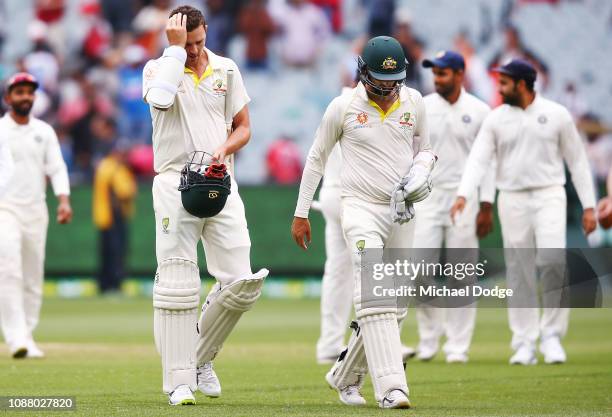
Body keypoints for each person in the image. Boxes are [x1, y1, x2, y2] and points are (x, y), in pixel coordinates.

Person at [292, 36, 436, 408]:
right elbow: (316, 158)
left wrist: (420, 172)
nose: (388, 90)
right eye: (380, 81)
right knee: (375, 294)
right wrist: (301, 212)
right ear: (362, 73)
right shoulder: (342, 107)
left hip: (400, 209)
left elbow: (427, 148)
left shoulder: (414, 102)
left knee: (397, 305)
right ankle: (392, 388)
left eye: (394, 82)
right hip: (358, 207)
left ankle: (345, 375)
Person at [142, 6, 268, 405]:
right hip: (173, 180)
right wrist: (175, 53)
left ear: (207, 32)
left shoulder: (227, 69)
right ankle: (178, 381)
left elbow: (244, 126)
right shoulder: (157, 70)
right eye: (187, 43)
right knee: (179, 285)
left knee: (242, 285)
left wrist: (224, 147)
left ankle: (200, 358)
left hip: (219, 180)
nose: (195, 51)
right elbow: (161, 101)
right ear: (174, 38)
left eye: (199, 42)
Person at [451, 59, 597, 365]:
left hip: (549, 195)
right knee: (519, 271)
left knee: (553, 260)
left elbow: (578, 162)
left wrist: (589, 206)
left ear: (522, 84)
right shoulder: (496, 119)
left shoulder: (556, 115)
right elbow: (478, 160)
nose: (499, 88)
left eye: (504, 82)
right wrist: (464, 194)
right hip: (512, 198)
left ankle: (552, 337)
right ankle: (524, 342)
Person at [412, 51, 494, 364]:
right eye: (435, 73)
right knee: (419, 270)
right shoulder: (423, 106)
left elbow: (488, 161)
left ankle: (457, 345)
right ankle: (430, 337)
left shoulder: (479, 110)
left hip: (465, 197)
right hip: (428, 196)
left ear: (460, 74)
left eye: (443, 73)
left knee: (462, 273)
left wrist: (486, 204)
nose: (437, 78)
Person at [0, 72, 72, 359]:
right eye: (19, 92)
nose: (25, 97)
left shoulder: (44, 131)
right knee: (9, 269)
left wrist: (63, 201)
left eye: (30, 92)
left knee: (31, 276)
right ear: (8, 99)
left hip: (35, 210)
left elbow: (56, 168)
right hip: (5, 209)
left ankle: (26, 335)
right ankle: (15, 336)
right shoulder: (1, 131)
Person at [93, 133, 138, 294]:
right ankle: (113, 285)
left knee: (107, 252)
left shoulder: (106, 166)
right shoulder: (113, 167)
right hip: (113, 217)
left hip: (106, 217)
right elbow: (125, 191)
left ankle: (105, 285)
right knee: (115, 253)